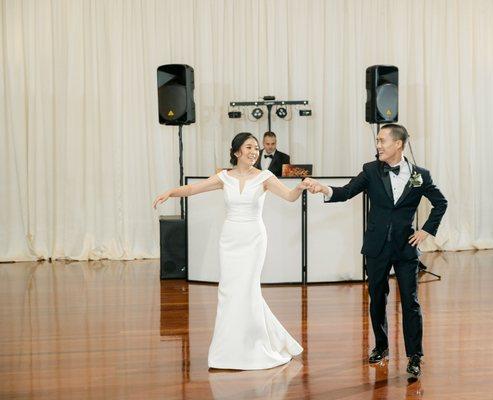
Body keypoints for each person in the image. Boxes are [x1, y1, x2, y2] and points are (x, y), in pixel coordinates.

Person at [153, 132, 307, 370]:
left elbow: (289, 197)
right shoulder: (224, 177)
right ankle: (226, 351)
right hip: (230, 240)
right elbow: (194, 189)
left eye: (256, 148)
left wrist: (301, 187)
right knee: (229, 292)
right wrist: (171, 192)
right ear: (237, 152)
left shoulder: (265, 177)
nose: (254, 151)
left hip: (254, 239)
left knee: (248, 290)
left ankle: (256, 346)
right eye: (249, 147)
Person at [303, 124, 447, 378]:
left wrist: (426, 230)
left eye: (382, 141)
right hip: (376, 248)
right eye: (377, 141)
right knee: (377, 299)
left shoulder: (420, 175)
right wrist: (323, 188)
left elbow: (440, 203)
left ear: (398, 144)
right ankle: (381, 346)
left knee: (411, 303)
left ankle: (415, 356)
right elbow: (346, 192)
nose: (378, 145)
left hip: (406, 248)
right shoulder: (370, 170)